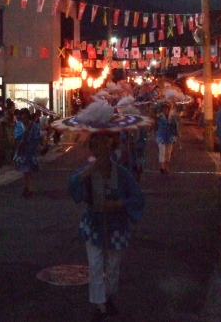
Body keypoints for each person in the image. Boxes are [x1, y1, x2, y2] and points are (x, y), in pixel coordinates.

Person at [68, 133, 144, 322]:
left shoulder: (122, 173)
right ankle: (99, 305)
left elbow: (138, 197)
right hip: (93, 225)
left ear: (111, 148)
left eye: (105, 146)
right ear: (92, 150)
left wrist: (120, 204)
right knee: (94, 266)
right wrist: (90, 170)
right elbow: (73, 188)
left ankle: (108, 296)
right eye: (97, 146)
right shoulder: (86, 171)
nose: (101, 150)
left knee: (112, 267)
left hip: (117, 227)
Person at [13, 108, 41, 198]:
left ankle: (28, 187)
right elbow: (17, 137)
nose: (24, 119)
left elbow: (37, 138)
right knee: (26, 170)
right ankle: (28, 187)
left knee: (27, 170)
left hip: (30, 150)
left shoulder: (33, 126)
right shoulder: (20, 125)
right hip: (24, 150)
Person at [155, 102, 178, 174]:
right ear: (162, 109)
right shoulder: (159, 116)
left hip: (170, 135)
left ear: (168, 109)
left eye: (166, 108)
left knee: (168, 152)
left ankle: (166, 166)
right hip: (161, 135)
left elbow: (175, 125)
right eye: (164, 108)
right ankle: (162, 167)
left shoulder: (172, 116)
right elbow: (160, 124)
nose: (165, 109)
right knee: (162, 151)